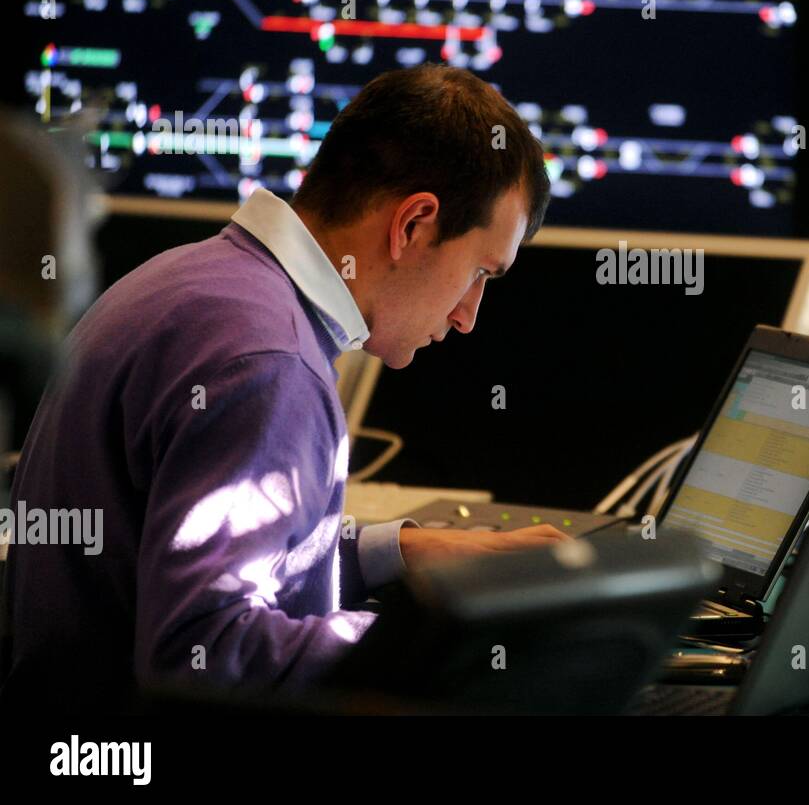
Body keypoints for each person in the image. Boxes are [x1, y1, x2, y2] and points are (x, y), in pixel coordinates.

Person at [1, 65, 568, 710]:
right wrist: (456, 639)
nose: (468, 316)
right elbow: (208, 652)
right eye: (480, 273)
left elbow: (187, 565)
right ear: (413, 224)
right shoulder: (271, 361)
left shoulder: (199, 281)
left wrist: (401, 551)